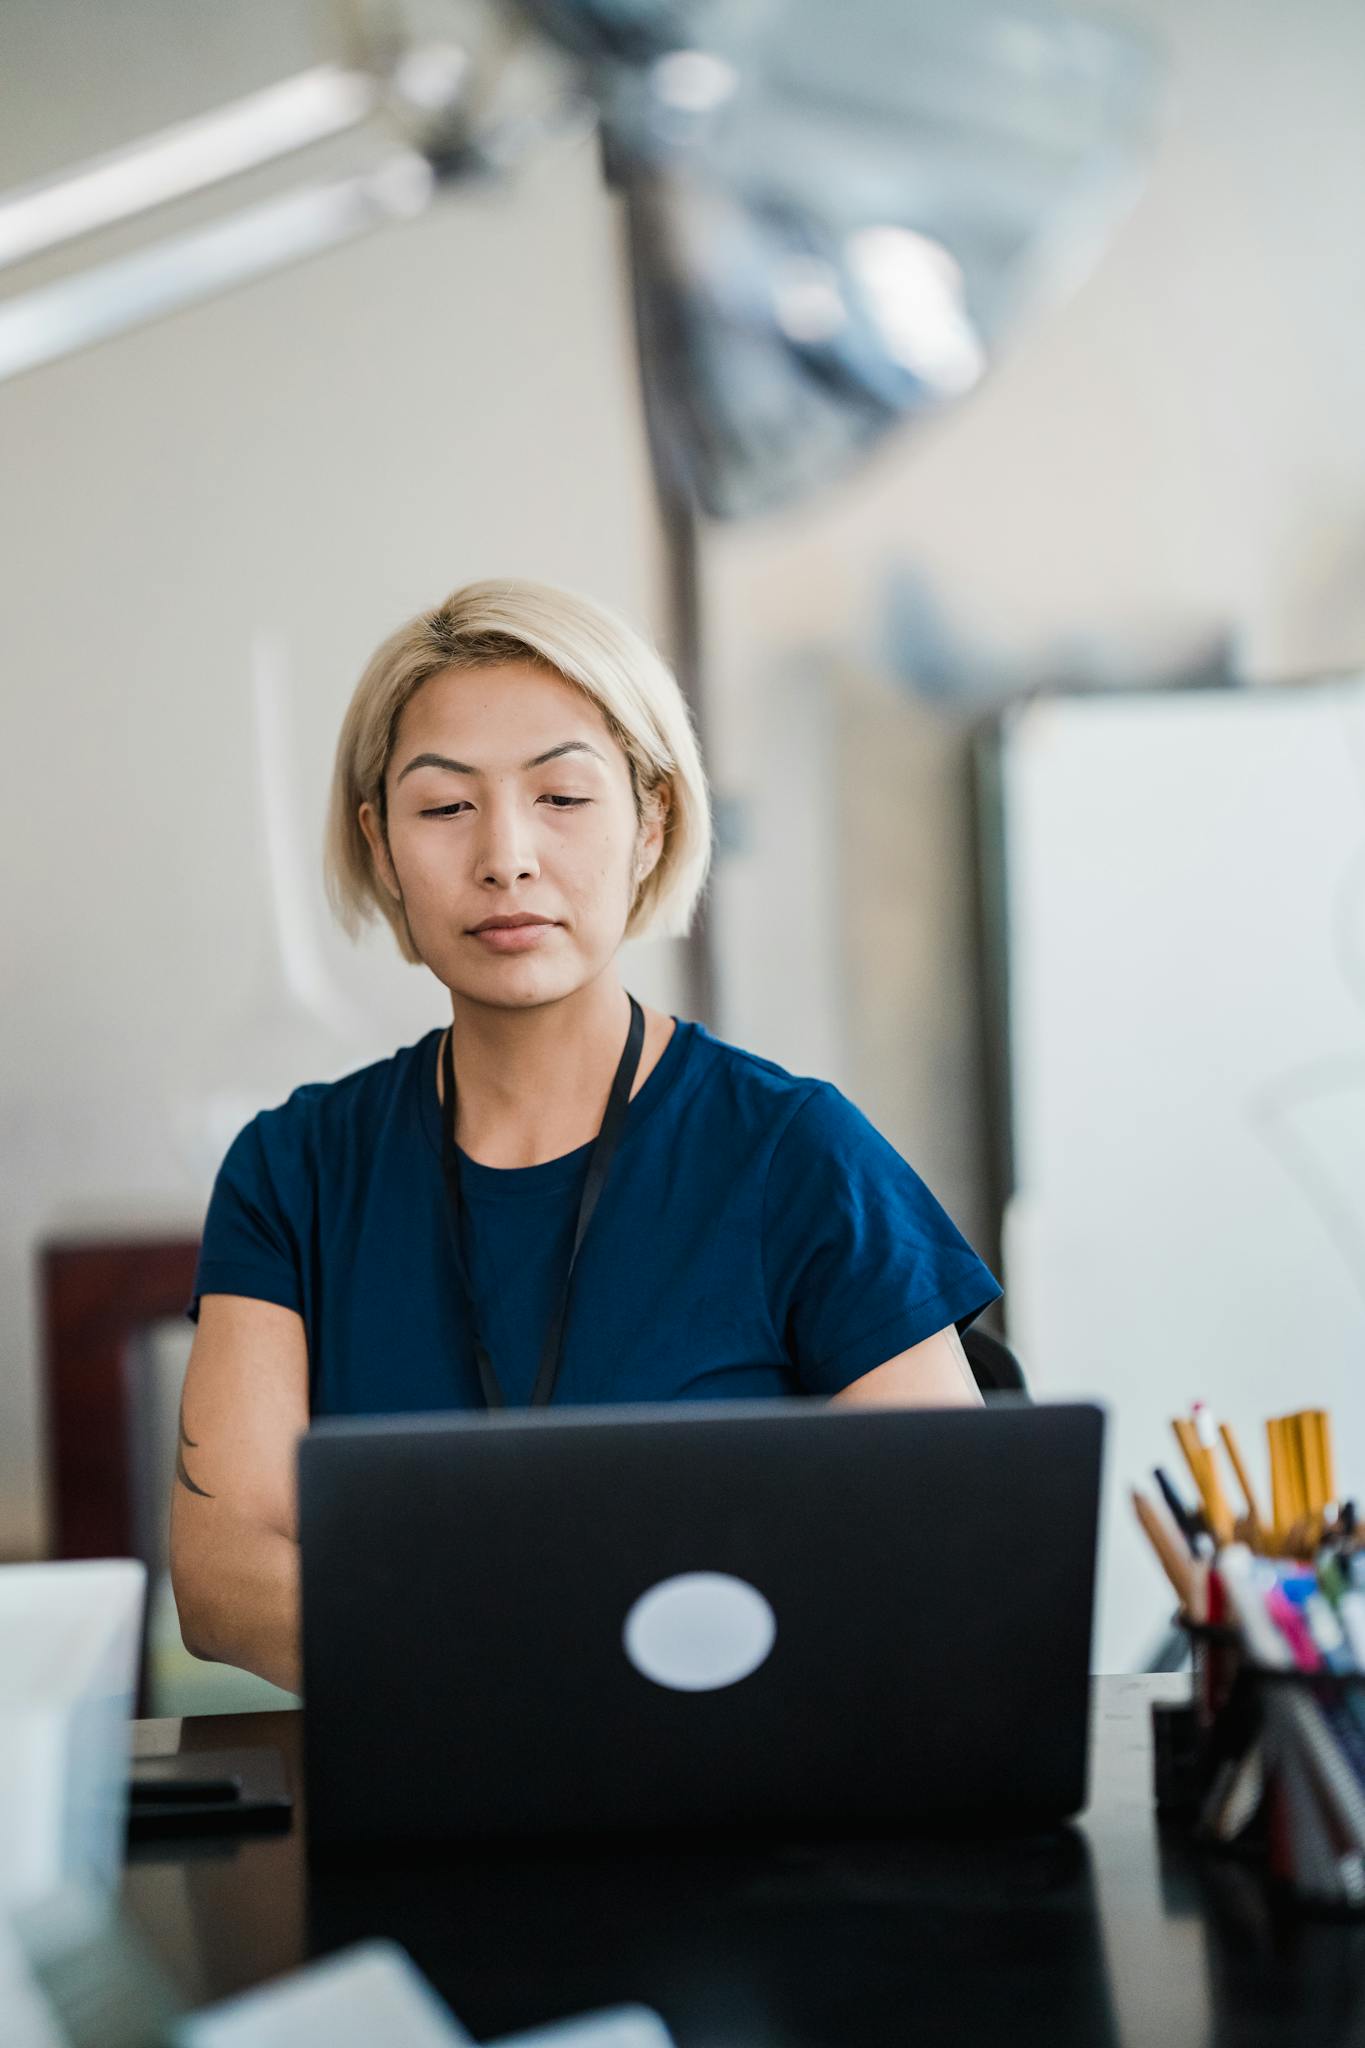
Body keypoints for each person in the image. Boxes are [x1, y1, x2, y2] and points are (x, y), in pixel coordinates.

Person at [170, 579, 1002, 1692]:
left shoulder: (796, 1153)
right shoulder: (293, 1170)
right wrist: (533, 1675)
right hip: (413, 1820)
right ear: (379, 844)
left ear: (650, 820)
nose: (506, 856)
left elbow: (955, 1545)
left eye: (562, 796)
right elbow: (224, 1578)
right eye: (444, 807)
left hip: (728, 1811)